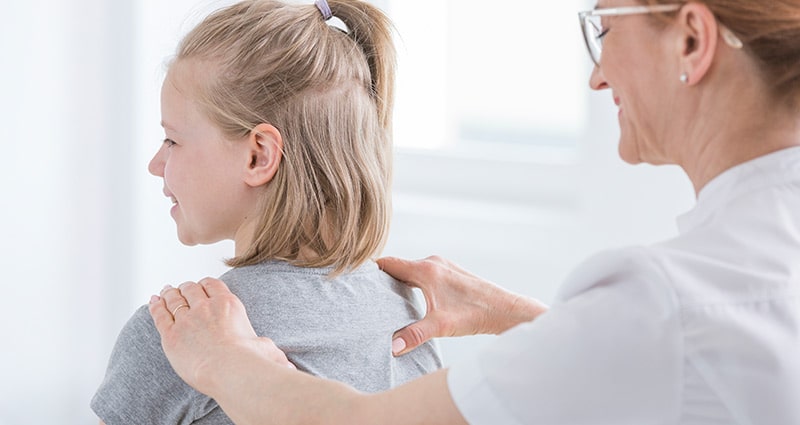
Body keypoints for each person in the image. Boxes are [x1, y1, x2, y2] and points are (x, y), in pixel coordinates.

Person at [150, 0, 800, 423]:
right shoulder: (721, 286)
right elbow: (695, 360)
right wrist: (527, 321)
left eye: (604, 28)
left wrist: (225, 359)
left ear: (691, 39)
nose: (597, 77)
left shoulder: (666, 302)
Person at [91, 0, 443, 423]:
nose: (155, 164)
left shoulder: (179, 333)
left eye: (172, 141)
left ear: (259, 156)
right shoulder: (407, 315)